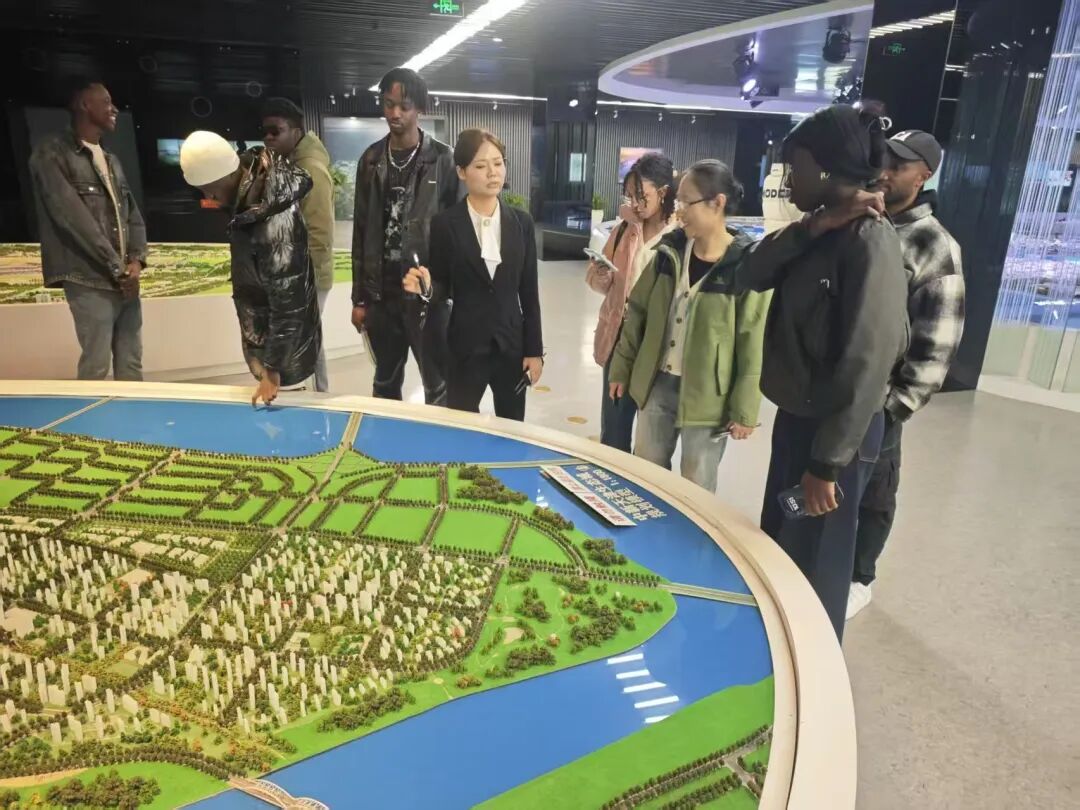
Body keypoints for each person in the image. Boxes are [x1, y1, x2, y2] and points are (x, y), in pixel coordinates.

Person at [738, 103, 910, 641]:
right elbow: (751, 272)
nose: (788, 182)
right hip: (799, 420)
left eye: (797, 168)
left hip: (836, 438)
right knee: (781, 543)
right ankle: (776, 656)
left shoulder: (870, 241)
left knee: (817, 564)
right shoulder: (821, 230)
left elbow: (867, 363)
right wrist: (813, 225)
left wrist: (827, 464)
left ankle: (814, 672)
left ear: (829, 169)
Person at [845, 130, 965, 619]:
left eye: (899, 166)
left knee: (874, 490)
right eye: (884, 162)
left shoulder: (935, 246)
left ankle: (860, 577)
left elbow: (937, 344)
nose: (886, 172)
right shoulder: (859, 224)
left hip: (880, 402)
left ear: (924, 176)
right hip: (837, 391)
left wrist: (895, 407)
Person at [607, 160, 770, 493]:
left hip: (709, 398)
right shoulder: (669, 253)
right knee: (647, 475)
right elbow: (637, 311)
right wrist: (621, 370)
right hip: (657, 383)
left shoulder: (746, 265)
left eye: (686, 202)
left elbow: (753, 341)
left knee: (697, 484)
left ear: (717, 203)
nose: (678, 211)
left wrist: (744, 408)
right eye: (678, 202)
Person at [404, 130, 542, 421]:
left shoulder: (522, 223)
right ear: (461, 172)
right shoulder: (445, 224)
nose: (493, 173)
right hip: (465, 347)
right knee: (462, 427)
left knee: (512, 428)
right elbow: (442, 285)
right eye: (480, 166)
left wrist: (535, 350)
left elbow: (529, 293)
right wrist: (426, 287)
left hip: (511, 347)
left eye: (498, 163)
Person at [179, 131, 320, 407]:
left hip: (286, 365)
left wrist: (273, 370)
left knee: (293, 426)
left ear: (228, 176)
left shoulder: (272, 221)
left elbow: (289, 304)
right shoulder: (251, 208)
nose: (209, 196)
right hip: (272, 352)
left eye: (211, 188)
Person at [351, 68, 460, 404]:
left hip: (425, 291)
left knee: (437, 384)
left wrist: (449, 293)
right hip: (381, 292)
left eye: (404, 106)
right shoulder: (370, 160)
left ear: (420, 109)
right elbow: (360, 232)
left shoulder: (443, 159)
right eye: (388, 104)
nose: (395, 113)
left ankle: (437, 437)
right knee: (384, 382)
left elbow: (456, 234)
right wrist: (359, 299)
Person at [28, 78, 147, 381]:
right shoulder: (52, 154)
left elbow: (132, 215)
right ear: (84, 105)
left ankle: (135, 415)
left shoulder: (111, 160)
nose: (114, 108)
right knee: (96, 367)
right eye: (106, 102)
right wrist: (119, 269)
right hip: (89, 279)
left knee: (131, 364)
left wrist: (136, 263)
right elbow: (73, 219)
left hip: (124, 280)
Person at [587, 153, 677, 453]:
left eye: (642, 196)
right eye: (630, 196)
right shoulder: (625, 230)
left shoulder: (679, 235)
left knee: (653, 438)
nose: (635, 204)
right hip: (620, 337)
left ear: (663, 192)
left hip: (659, 343)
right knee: (614, 429)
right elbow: (599, 284)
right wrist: (600, 274)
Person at [262, 97, 336, 393]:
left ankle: (319, 395)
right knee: (309, 336)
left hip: (309, 274)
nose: (268, 137)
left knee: (305, 338)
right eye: (264, 131)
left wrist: (305, 280)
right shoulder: (289, 164)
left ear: (295, 131)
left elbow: (320, 231)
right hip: (296, 272)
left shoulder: (310, 169)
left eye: (275, 131)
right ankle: (320, 394)